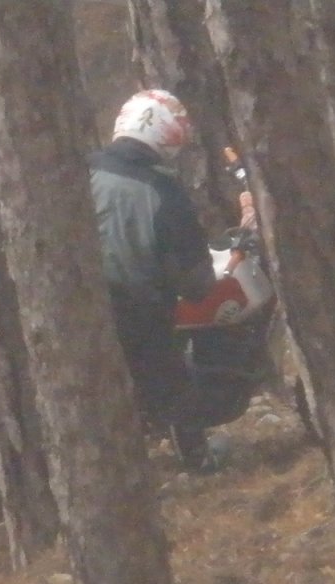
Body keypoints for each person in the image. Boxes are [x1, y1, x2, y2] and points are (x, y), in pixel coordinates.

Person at [89, 89, 218, 471]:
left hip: (78, 309)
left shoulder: (80, 170)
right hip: (140, 314)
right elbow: (196, 285)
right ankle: (196, 459)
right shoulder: (165, 193)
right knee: (174, 383)